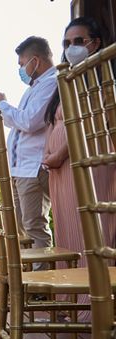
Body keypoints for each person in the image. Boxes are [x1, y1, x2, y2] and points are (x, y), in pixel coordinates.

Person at [43, 17, 116, 316]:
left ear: (94, 43)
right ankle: (69, 301)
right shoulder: (68, 78)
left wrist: (60, 152)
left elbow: (89, 123)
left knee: (90, 229)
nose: (71, 48)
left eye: (77, 42)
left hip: (86, 161)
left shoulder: (100, 77)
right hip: (60, 170)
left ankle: (92, 306)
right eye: (66, 43)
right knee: (66, 229)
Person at [0, 36, 58, 261]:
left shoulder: (52, 82)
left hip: (33, 166)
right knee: (22, 228)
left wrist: (5, 104)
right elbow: (18, 122)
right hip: (20, 168)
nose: (21, 69)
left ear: (35, 60)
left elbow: (29, 122)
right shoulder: (34, 87)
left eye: (22, 63)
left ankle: (42, 285)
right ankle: (27, 279)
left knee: (34, 226)